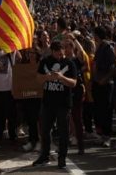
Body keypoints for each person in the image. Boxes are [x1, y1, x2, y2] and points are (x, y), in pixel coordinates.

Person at [33, 39, 78, 170]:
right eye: (57, 52)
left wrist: (61, 77)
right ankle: (44, 156)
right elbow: (38, 79)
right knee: (45, 130)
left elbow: (74, 83)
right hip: (48, 103)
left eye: (61, 51)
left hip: (63, 103)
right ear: (52, 51)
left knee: (63, 132)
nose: (60, 54)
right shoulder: (45, 62)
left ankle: (62, 158)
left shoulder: (69, 63)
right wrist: (47, 77)